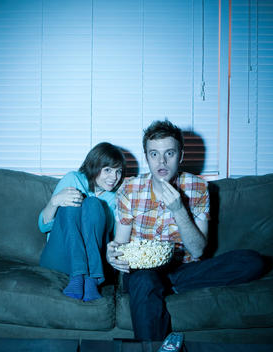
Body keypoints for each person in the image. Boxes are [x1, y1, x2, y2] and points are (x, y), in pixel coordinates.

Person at [106, 119, 264, 340]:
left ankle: (166, 286)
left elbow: (198, 251)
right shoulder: (130, 189)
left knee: (252, 261)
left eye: (169, 153)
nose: (161, 161)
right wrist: (113, 254)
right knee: (144, 280)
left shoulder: (198, 187)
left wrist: (179, 209)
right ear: (147, 157)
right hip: (142, 271)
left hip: (183, 269)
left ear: (180, 156)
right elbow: (120, 245)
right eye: (154, 154)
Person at [39, 142, 126, 302]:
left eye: (118, 171)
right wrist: (54, 202)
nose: (114, 177)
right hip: (61, 256)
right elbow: (43, 226)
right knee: (71, 203)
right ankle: (81, 276)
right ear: (94, 166)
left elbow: (114, 237)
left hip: (97, 261)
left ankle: (88, 279)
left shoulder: (116, 196)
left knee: (93, 204)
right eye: (108, 170)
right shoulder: (73, 179)